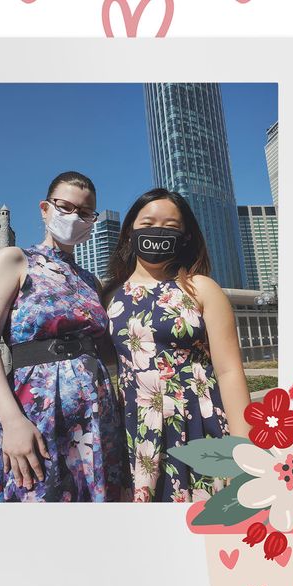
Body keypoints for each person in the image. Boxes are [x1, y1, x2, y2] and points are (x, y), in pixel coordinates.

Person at [0, 171, 130, 502]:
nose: (76, 217)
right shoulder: (15, 260)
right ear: (45, 209)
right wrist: (12, 420)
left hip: (97, 419)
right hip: (36, 412)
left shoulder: (91, 280)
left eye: (85, 212)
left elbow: (109, 353)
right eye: (65, 206)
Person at [101, 188, 251, 502]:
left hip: (200, 421)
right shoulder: (109, 296)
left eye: (171, 227)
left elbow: (229, 371)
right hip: (135, 432)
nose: (158, 232)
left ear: (184, 237)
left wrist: (244, 447)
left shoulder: (202, 289)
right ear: (130, 231)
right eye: (148, 223)